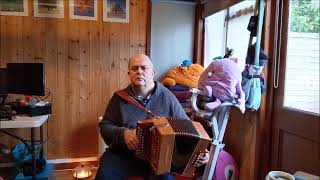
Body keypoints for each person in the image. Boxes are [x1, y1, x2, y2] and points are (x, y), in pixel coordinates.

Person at [95, 54, 208, 180]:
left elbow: (188, 129)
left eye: (144, 68)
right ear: (129, 74)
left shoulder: (168, 97)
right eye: (135, 68)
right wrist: (123, 134)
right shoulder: (119, 98)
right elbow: (105, 126)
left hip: (160, 159)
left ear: (152, 73)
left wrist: (200, 150)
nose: (139, 71)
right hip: (124, 155)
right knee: (105, 175)